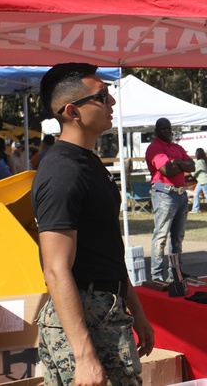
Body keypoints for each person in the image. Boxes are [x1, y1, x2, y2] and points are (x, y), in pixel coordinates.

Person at [31, 63, 155, 385]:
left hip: (105, 311)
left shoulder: (89, 162)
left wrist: (136, 310)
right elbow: (56, 268)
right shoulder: (63, 170)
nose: (111, 102)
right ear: (72, 111)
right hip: (84, 320)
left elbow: (107, 247)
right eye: (102, 96)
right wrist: (84, 356)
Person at [145, 117, 196, 282]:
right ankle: (157, 275)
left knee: (177, 236)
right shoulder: (155, 148)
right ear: (156, 131)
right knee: (161, 235)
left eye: (169, 128)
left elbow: (192, 166)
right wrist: (180, 165)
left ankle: (175, 272)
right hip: (164, 192)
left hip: (179, 193)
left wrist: (177, 162)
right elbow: (166, 170)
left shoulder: (176, 147)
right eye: (163, 129)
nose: (167, 131)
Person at [191, 147, 207, 214]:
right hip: (201, 180)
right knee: (195, 194)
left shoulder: (199, 162)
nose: (195, 154)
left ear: (198, 154)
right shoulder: (205, 161)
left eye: (196, 153)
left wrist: (189, 172)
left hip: (203, 180)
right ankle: (195, 209)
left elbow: (195, 172)